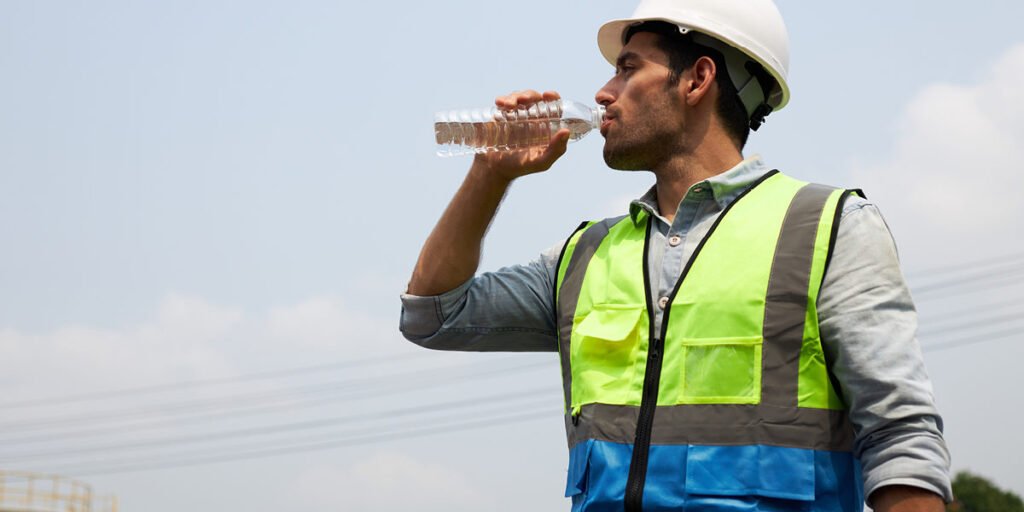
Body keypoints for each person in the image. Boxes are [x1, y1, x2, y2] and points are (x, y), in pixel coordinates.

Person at [400, 0, 952, 510]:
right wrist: (489, 174)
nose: (602, 92)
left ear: (698, 79)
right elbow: (431, 314)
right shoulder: (585, 255)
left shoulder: (829, 229)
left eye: (627, 68)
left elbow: (900, 438)